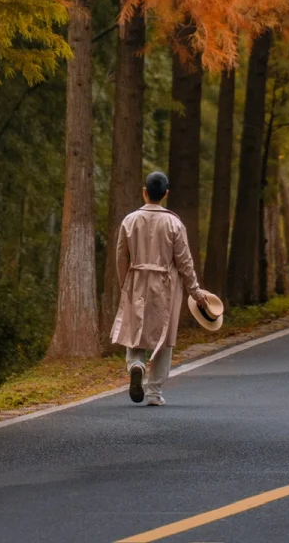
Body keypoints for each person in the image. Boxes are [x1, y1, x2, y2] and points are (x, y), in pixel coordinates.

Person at [110, 170, 209, 406]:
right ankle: (154, 391)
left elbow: (121, 255)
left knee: (134, 330)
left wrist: (125, 282)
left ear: (144, 191)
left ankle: (136, 364)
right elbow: (184, 262)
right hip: (166, 284)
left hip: (135, 279)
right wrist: (195, 291)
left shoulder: (129, 220)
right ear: (166, 193)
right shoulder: (174, 223)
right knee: (164, 337)